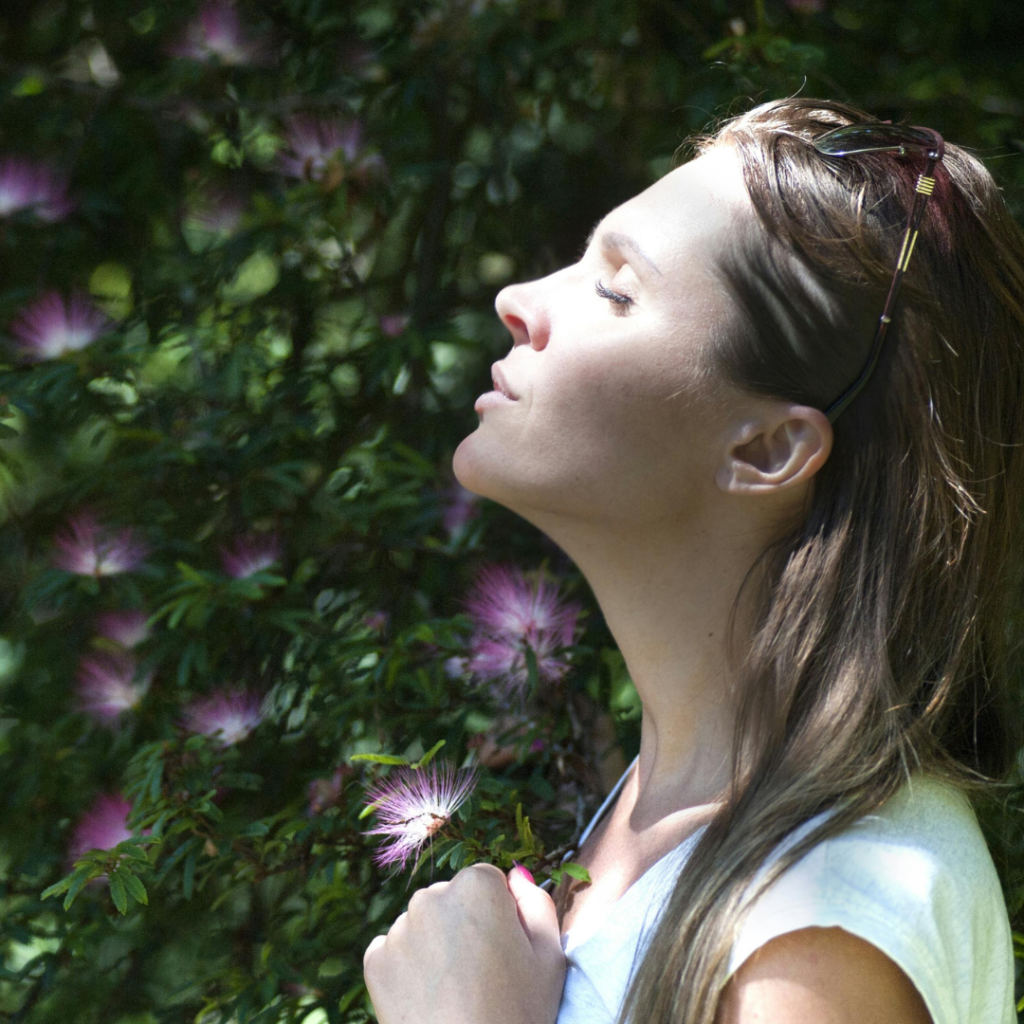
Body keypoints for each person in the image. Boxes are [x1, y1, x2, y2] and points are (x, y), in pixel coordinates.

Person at [362, 96, 1024, 1024]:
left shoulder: (820, 928)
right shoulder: (673, 814)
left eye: (616, 291)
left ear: (766, 452)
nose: (518, 301)